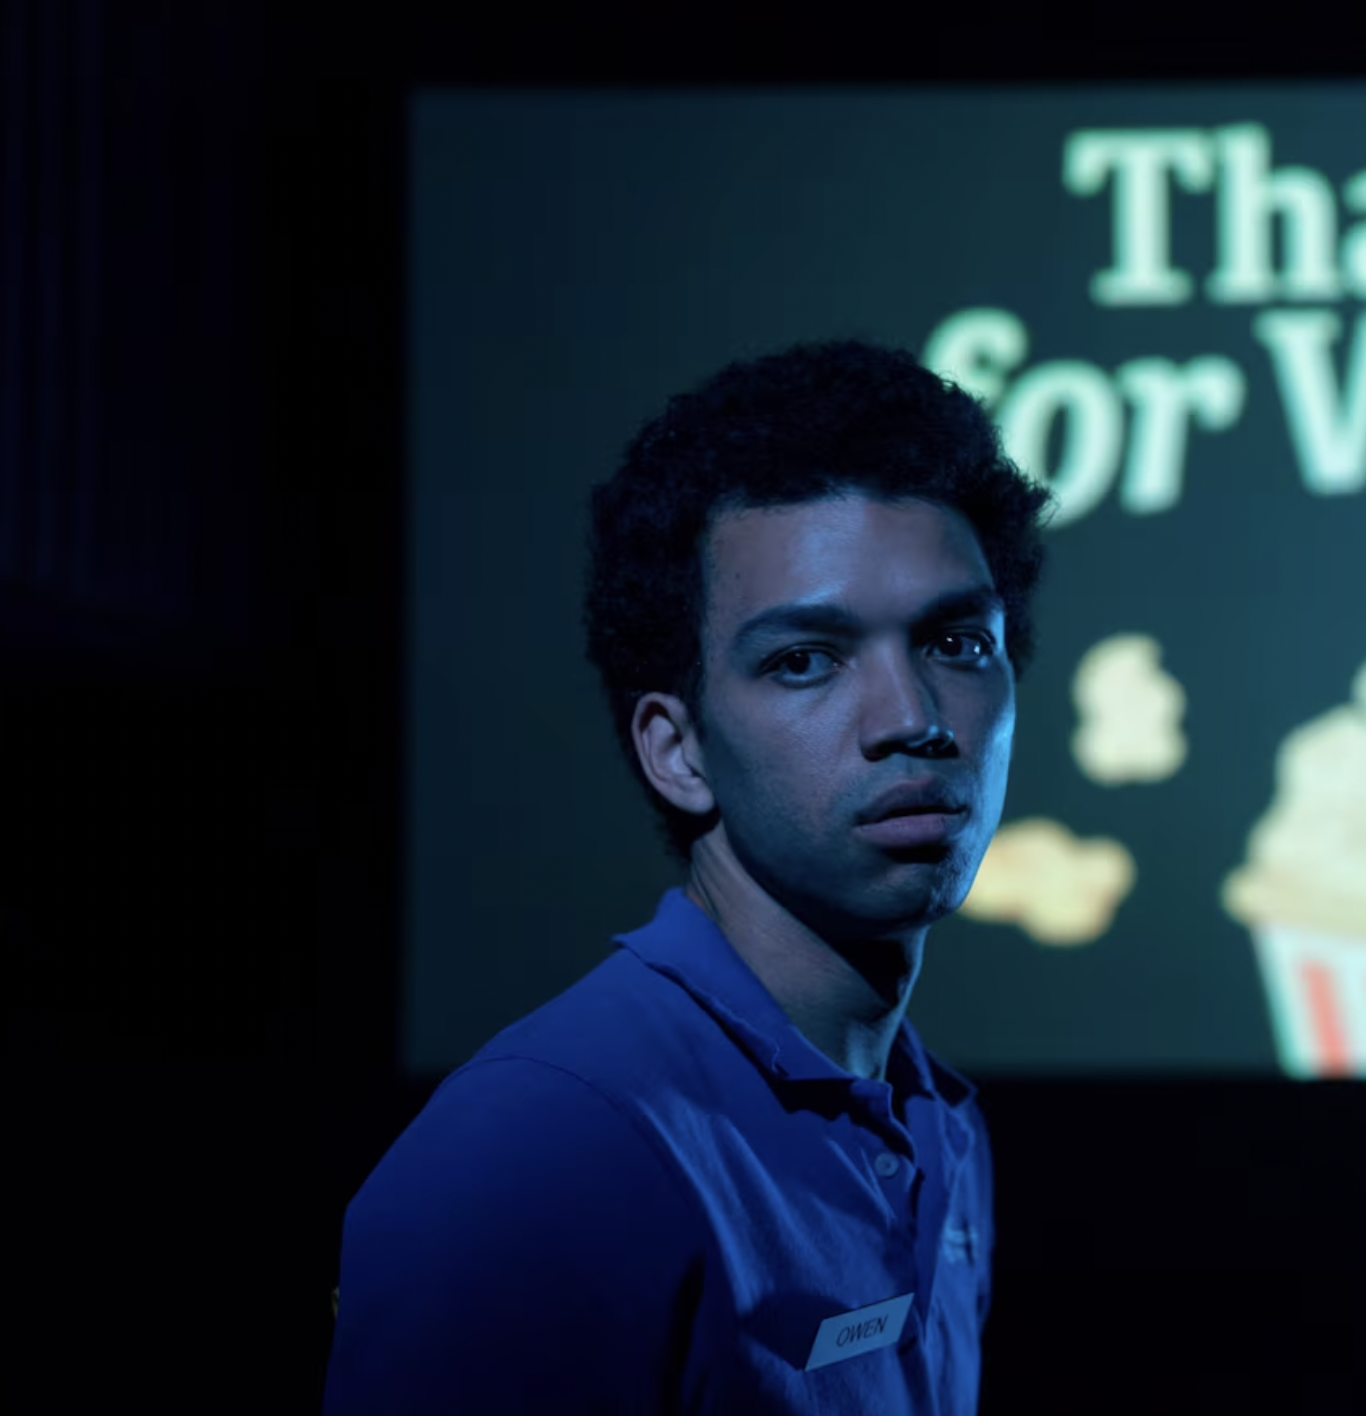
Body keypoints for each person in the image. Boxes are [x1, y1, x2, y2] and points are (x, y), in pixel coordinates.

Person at [323, 340, 1049, 1413]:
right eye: (805, 658)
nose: (913, 720)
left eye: (957, 642)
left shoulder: (933, 1120)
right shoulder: (541, 1150)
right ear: (677, 750)